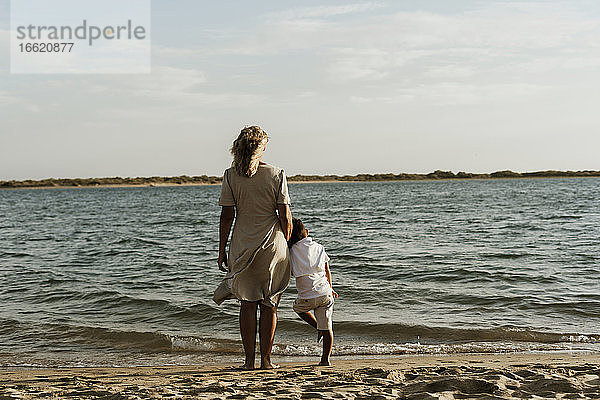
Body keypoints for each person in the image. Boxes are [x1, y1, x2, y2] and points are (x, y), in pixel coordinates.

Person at [213, 126, 292, 370]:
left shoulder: (230, 175)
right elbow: (285, 216)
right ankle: (266, 361)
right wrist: (288, 245)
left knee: (247, 304)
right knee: (270, 304)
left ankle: (249, 362)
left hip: (243, 244)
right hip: (272, 245)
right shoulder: (277, 173)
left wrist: (221, 249)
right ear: (262, 147)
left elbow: (227, 216)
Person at [288, 218, 338, 366]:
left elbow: (290, 272)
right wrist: (331, 287)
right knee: (328, 326)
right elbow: (326, 270)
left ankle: (317, 327)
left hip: (307, 297)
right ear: (307, 233)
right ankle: (325, 359)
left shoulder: (291, 251)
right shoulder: (319, 247)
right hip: (325, 293)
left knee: (298, 308)